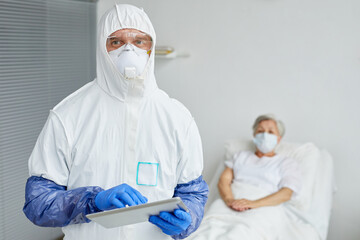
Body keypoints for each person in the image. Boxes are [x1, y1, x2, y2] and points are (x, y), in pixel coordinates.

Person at [23, 4, 208, 240]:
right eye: (116, 42)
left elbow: (193, 192)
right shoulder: (68, 115)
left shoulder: (178, 118)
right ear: (102, 47)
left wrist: (188, 217)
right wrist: (92, 201)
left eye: (139, 42)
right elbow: (38, 202)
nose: (128, 50)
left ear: (151, 47)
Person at [218, 114, 301, 212]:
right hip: (232, 203)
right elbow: (223, 181)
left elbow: (286, 193)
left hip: (264, 208)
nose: (265, 135)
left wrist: (253, 204)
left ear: (278, 139)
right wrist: (230, 200)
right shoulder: (240, 156)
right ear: (254, 136)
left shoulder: (286, 163)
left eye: (270, 132)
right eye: (260, 131)